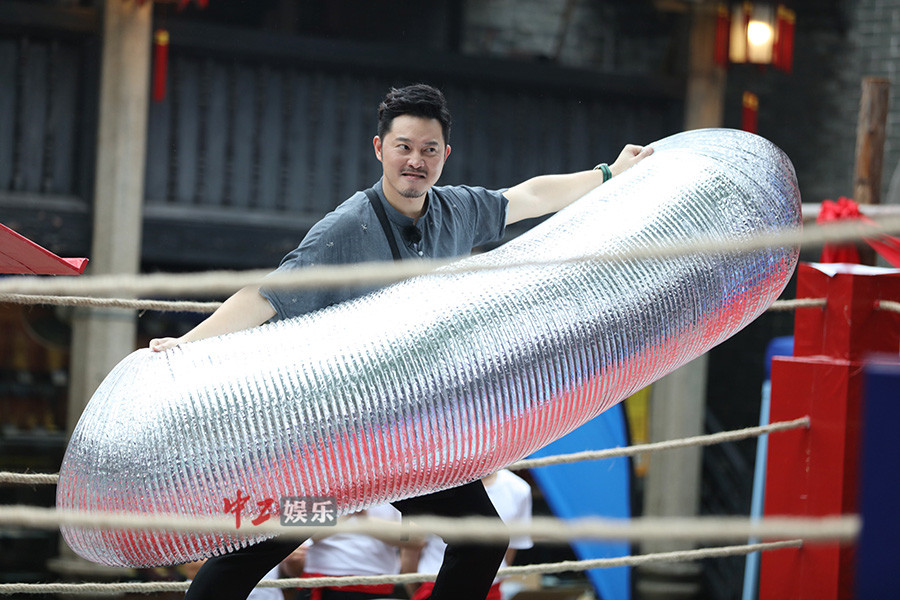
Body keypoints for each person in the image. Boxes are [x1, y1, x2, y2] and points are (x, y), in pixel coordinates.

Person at [150, 83, 652, 600]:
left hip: (407, 437)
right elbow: (265, 295)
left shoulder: (457, 210)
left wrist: (608, 173)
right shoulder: (346, 227)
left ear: (445, 155)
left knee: (481, 540)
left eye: (429, 149)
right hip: (337, 433)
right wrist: (187, 344)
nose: (416, 160)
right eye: (404, 147)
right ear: (379, 148)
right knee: (272, 538)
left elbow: (528, 198)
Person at [401, 469, 533, 600]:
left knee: (493, 541)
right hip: (432, 585)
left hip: (489, 588)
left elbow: (508, 551)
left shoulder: (518, 488)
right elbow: (410, 551)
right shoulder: (430, 477)